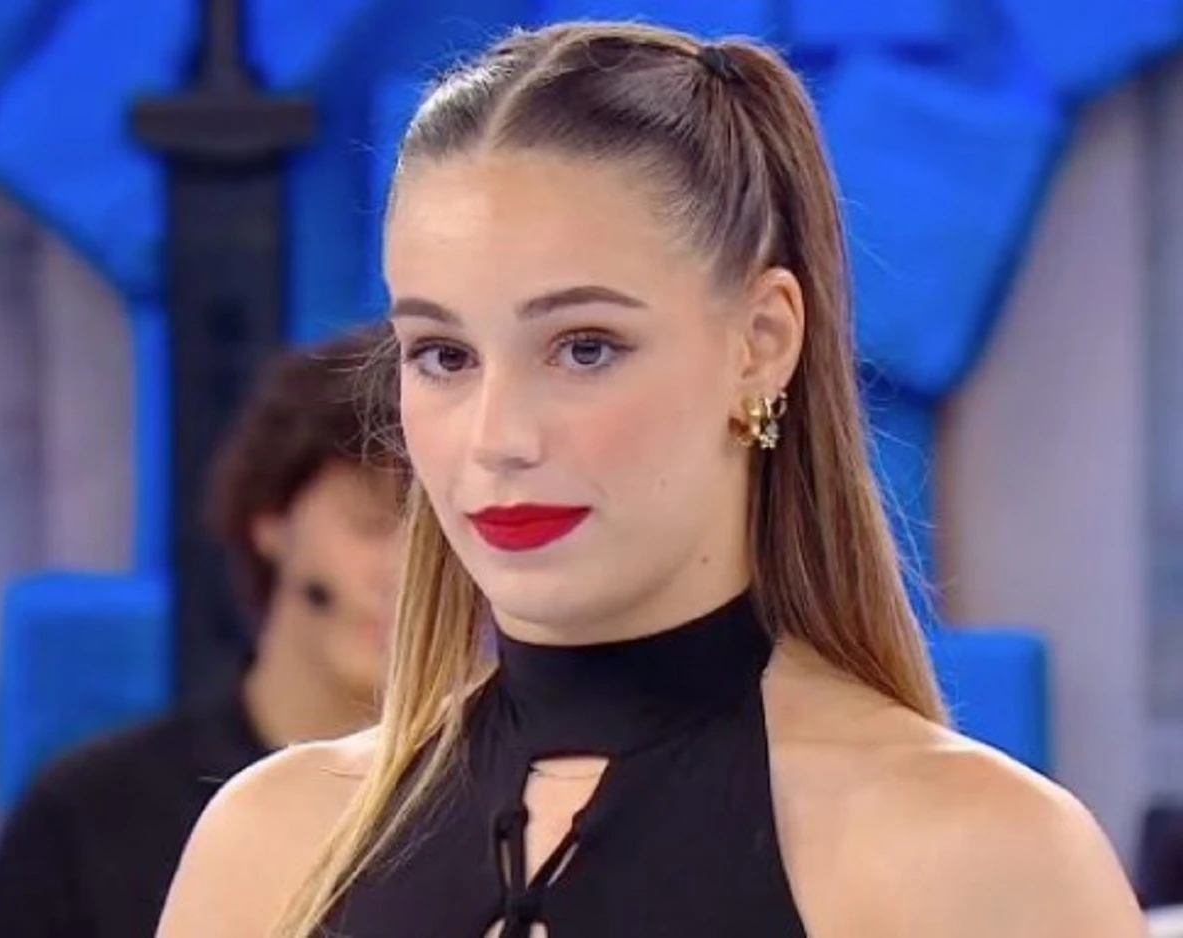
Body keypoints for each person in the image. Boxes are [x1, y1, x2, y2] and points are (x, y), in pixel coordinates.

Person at [157, 21, 1143, 938]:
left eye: (584, 347)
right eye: (444, 355)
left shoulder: (978, 860)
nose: (497, 439)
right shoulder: (269, 847)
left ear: (762, 342)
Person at [0, 329, 405, 938]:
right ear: (271, 520)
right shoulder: (87, 818)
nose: (407, 576)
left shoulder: (511, 810)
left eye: (442, 546)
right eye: (373, 523)